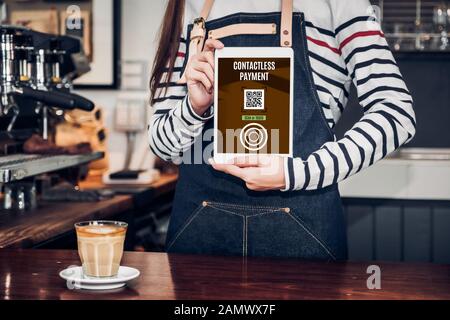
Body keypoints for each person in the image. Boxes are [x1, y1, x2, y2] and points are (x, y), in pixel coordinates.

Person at [148, 0, 416, 260]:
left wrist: (292, 174)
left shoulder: (340, 3)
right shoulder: (189, 6)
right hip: (198, 233)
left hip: (303, 233)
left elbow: (396, 113)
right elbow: (163, 147)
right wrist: (195, 107)